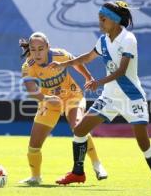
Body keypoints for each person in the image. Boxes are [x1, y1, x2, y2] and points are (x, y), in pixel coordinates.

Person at [49, 1, 151, 191]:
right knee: (79, 131)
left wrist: (97, 82)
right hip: (110, 97)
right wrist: (64, 64)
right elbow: (86, 58)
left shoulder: (129, 39)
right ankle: (78, 173)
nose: (100, 22)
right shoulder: (103, 40)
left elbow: (121, 71)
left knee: (144, 144)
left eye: (103, 19)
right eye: (99, 18)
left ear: (115, 20)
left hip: (131, 97)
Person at [19, 32, 107, 185]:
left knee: (78, 127)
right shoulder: (28, 65)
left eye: (41, 48)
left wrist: (88, 77)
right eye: (33, 49)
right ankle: (35, 177)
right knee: (34, 146)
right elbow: (30, 88)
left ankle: (97, 164)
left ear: (48, 47)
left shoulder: (61, 55)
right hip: (49, 103)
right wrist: (45, 99)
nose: (37, 53)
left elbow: (76, 63)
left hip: (72, 96)